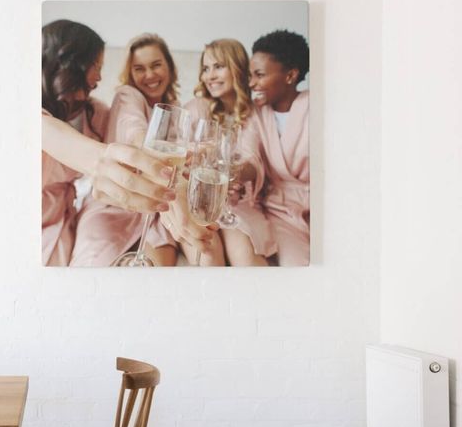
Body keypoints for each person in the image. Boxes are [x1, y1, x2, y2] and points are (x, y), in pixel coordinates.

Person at [41, 20, 176, 266]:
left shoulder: (96, 113)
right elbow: (49, 132)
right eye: (96, 66)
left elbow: (125, 128)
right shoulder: (32, 116)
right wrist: (104, 161)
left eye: (156, 65)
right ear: (73, 65)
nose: (101, 76)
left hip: (63, 216)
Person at [71, 33, 212, 266]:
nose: (149, 75)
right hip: (114, 201)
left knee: (157, 271)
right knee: (91, 266)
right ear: (130, 72)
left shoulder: (176, 109)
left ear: (169, 65)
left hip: (157, 208)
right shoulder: (127, 95)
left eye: (156, 65)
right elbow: (132, 128)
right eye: (139, 68)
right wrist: (148, 146)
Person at [182, 39, 276, 266]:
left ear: (238, 68)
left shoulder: (256, 114)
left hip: (237, 205)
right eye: (205, 69)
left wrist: (233, 172)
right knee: (208, 258)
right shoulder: (196, 107)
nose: (210, 76)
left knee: (246, 261)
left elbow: (253, 162)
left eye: (218, 66)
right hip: (195, 201)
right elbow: (179, 158)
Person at [249, 30, 310, 266]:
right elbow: (248, 154)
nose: (251, 83)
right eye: (250, 75)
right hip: (281, 213)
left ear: (290, 75)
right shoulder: (255, 114)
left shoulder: (317, 106)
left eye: (259, 75)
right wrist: (236, 169)